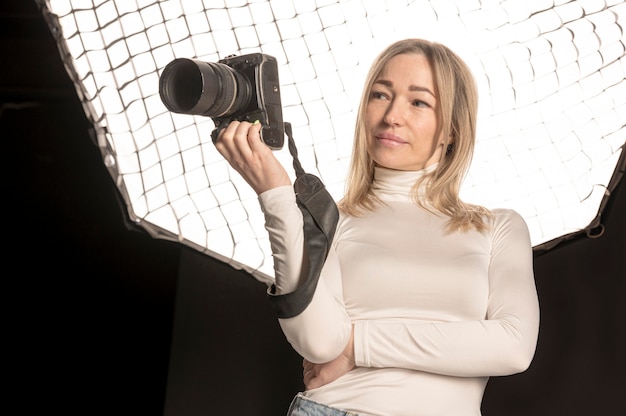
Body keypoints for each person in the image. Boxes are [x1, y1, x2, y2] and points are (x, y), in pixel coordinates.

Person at [214, 38, 540, 416]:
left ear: (451, 128)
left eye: (418, 102)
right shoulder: (331, 221)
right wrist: (277, 196)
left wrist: (356, 345)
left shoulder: (498, 228)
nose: (391, 116)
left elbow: (513, 346)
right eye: (380, 95)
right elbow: (318, 342)